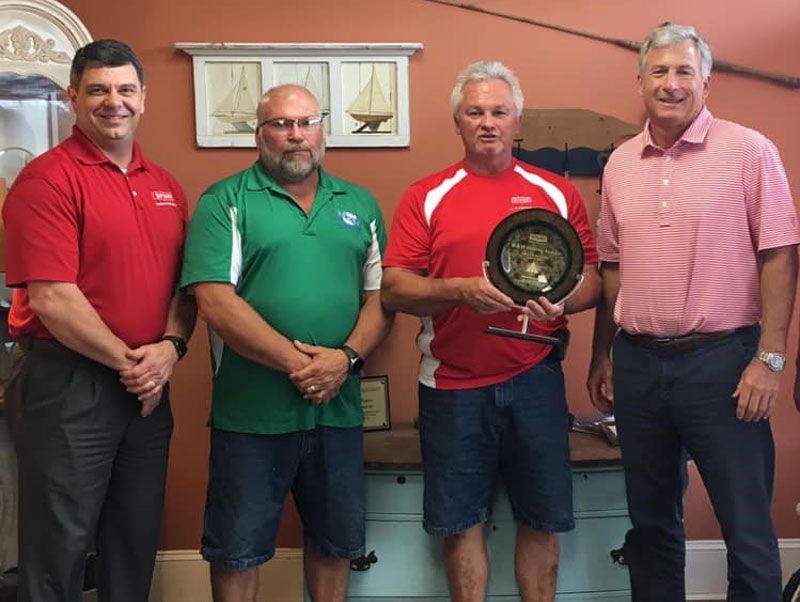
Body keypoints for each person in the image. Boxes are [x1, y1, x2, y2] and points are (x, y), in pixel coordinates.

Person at [587, 23, 799, 602]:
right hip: (637, 365)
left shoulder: (749, 151)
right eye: (659, 71)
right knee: (651, 526)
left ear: (706, 82)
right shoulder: (620, 163)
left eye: (684, 71)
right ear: (640, 82)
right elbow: (612, 266)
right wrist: (603, 354)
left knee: (746, 527)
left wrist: (770, 360)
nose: (671, 84)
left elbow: (780, 254)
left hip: (724, 365)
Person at [381, 61, 601, 602]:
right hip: (451, 386)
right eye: (475, 112)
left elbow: (594, 281)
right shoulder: (426, 195)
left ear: (517, 120)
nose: (487, 122)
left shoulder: (556, 193)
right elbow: (394, 289)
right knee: (461, 525)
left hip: (536, 379)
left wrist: (563, 301)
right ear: (457, 121)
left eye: (499, 112)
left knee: (542, 521)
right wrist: (458, 290)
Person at [180, 84, 394, 602]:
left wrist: (343, 361)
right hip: (251, 415)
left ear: (323, 131)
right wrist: (305, 366)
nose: (295, 135)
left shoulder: (359, 204)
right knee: (237, 550)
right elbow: (214, 301)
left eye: (306, 122)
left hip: (337, 410)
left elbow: (381, 299)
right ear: (259, 135)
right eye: (280, 124)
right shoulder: (224, 201)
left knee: (334, 543)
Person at [2, 39, 196, 602]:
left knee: (134, 542)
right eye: (98, 90)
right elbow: (53, 298)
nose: (114, 102)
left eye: (125, 89)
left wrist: (170, 349)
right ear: (73, 98)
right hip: (69, 385)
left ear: (144, 98)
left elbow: (186, 288)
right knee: (57, 549)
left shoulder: (165, 185)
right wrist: (132, 365)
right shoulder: (46, 180)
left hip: (148, 387)